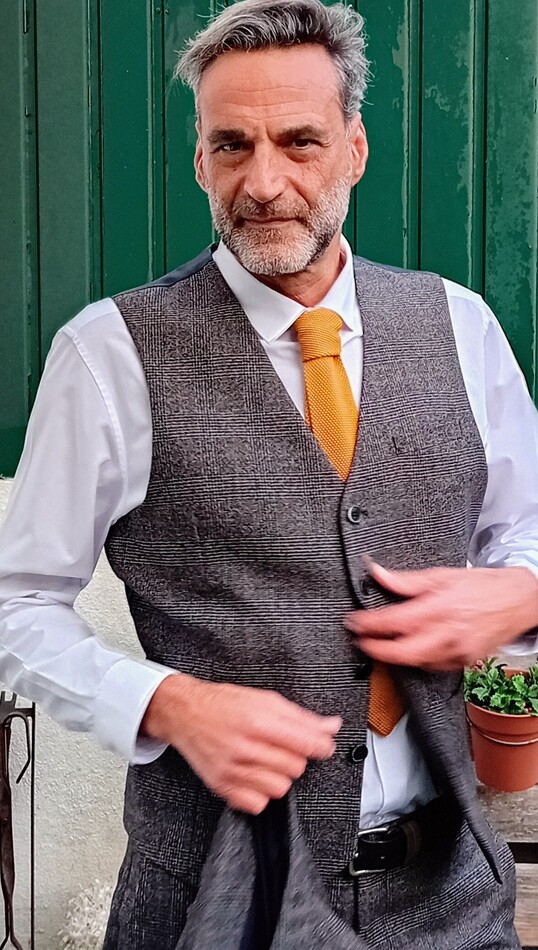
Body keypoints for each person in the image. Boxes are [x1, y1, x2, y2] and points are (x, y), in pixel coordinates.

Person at [1, 0, 538, 946]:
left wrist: (519, 594)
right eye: (232, 146)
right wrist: (165, 703)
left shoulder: (461, 324)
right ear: (199, 161)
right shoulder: (108, 352)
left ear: (354, 150)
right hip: (218, 900)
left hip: (451, 893)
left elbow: (525, 529)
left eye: (299, 142)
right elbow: (17, 604)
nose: (264, 182)